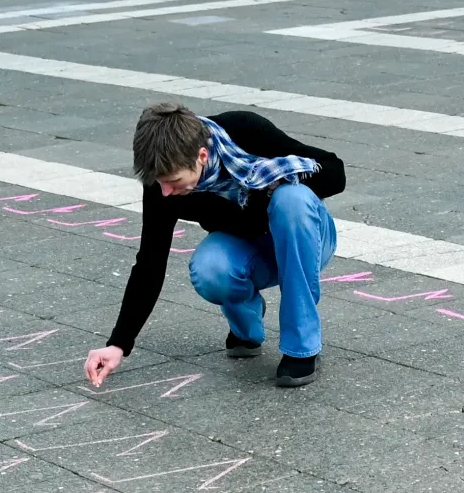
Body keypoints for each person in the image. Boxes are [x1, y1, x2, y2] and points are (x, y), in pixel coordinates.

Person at [82, 101, 344, 392]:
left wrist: (279, 179)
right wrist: (119, 344)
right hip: (254, 249)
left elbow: (335, 170)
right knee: (210, 268)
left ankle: (301, 348)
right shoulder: (162, 182)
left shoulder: (245, 130)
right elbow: (150, 262)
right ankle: (247, 330)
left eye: (173, 181)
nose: (166, 191)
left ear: (202, 155)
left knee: (291, 199)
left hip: (306, 240)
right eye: (160, 183)